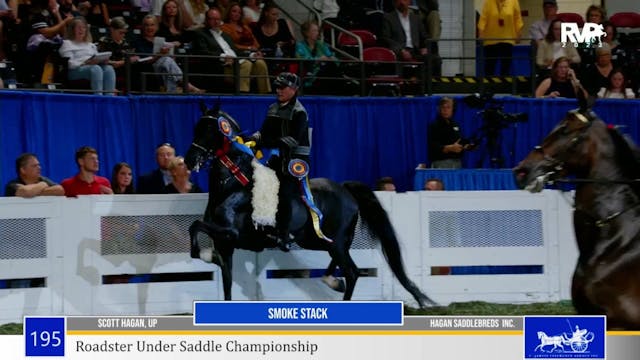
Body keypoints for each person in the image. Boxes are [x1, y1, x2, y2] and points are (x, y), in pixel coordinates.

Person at [247, 72, 309, 251]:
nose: (278, 90)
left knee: (284, 193)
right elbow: (264, 131)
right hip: (278, 157)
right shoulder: (273, 108)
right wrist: (252, 139)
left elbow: (293, 140)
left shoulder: (299, 112)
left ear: (294, 90)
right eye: (277, 87)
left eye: (282, 87)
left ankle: (283, 234)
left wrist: (265, 143)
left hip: (295, 160)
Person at [192, 7, 270, 93]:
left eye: (218, 19)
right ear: (207, 20)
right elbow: (202, 53)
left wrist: (251, 55)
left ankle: (266, 94)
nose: (216, 22)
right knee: (246, 64)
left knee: (260, 63)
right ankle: (242, 94)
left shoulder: (225, 35)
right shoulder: (200, 34)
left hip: (236, 62)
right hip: (221, 66)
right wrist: (223, 57)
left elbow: (236, 51)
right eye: (212, 19)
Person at [134, 14, 203, 93]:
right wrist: (160, 54)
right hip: (148, 69)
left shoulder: (160, 40)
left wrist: (170, 55)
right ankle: (186, 85)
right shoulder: (139, 41)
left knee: (167, 64)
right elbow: (145, 60)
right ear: (143, 27)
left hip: (163, 68)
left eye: (152, 25)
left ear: (156, 27)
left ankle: (171, 92)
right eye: (147, 25)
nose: (150, 28)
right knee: (166, 61)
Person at [58, 16, 116, 95]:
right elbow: (69, 64)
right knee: (95, 69)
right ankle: (98, 97)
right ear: (73, 29)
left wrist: (102, 60)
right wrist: (85, 63)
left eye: (84, 28)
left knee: (108, 69)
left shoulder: (90, 45)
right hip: (75, 71)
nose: (81, 30)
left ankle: (109, 98)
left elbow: (96, 57)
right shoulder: (67, 44)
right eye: (79, 27)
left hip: (92, 66)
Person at [477, 0, 523, 76]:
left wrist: (519, 34)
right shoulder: (488, 2)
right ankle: (489, 86)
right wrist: (481, 33)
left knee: (506, 66)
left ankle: (504, 86)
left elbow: (517, 18)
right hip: (491, 39)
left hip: (508, 38)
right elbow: (483, 19)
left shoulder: (514, 1)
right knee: (490, 66)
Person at [428, 97, 474, 169]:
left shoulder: (455, 124)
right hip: (441, 163)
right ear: (439, 109)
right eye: (443, 107)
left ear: (453, 109)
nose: (445, 110)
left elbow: (458, 142)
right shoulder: (434, 125)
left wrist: (467, 146)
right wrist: (449, 148)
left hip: (457, 162)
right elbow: (433, 146)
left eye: (448, 107)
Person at [295, 20, 340, 91]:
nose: (317, 33)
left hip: (323, 74)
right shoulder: (300, 45)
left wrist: (331, 58)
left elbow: (334, 59)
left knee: (331, 67)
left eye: (317, 31)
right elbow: (303, 60)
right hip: (309, 76)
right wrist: (319, 59)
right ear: (307, 33)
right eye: (314, 31)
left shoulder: (321, 44)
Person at [97, 17, 136, 90]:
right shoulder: (104, 41)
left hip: (126, 71)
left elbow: (131, 57)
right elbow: (103, 61)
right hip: (111, 71)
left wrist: (134, 59)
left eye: (124, 33)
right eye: (120, 33)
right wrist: (123, 62)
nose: (123, 35)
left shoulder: (126, 43)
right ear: (112, 30)